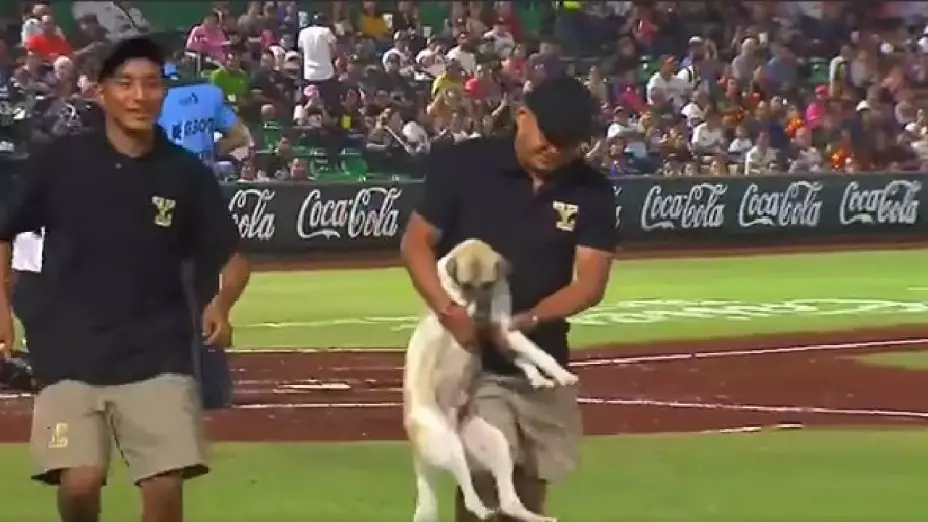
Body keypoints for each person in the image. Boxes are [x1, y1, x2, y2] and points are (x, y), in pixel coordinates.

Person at [0, 37, 250, 522]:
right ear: (101, 92)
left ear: (164, 93)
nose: (139, 96)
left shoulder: (184, 173)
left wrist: (221, 304)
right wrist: (2, 309)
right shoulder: (60, 161)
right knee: (79, 483)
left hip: (157, 352)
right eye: (126, 84)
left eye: (152, 84)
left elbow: (233, 257)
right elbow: (3, 233)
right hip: (68, 353)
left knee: (163, 488)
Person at [400, 76, 617, 521]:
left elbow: (589, 284)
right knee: (486, 485)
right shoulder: (465, 164)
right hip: (468, 361)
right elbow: (416, 243)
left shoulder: (591, 190)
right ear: (522, 117)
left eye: (569, 143)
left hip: (537, 352)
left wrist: (529, 320)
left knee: (529, 493)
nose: (554, 150)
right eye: (548, 136)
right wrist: (449, 311)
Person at [157, 62, 248, 168]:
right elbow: (240, 136)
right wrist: (214, 151)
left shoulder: (156, 99)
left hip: (169, 171)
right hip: (203, 169)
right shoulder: (209, 92)